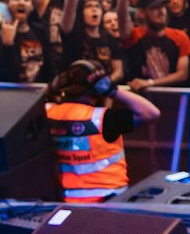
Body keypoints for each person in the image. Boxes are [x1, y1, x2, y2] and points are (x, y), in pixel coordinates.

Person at [43, 59, 162, 203]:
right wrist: (113, 90)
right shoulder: (102, 119)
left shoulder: (48, 113)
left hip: (66, 200)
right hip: (109, 200)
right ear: (97, 91)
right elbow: (151, 113)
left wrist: (53, 88)